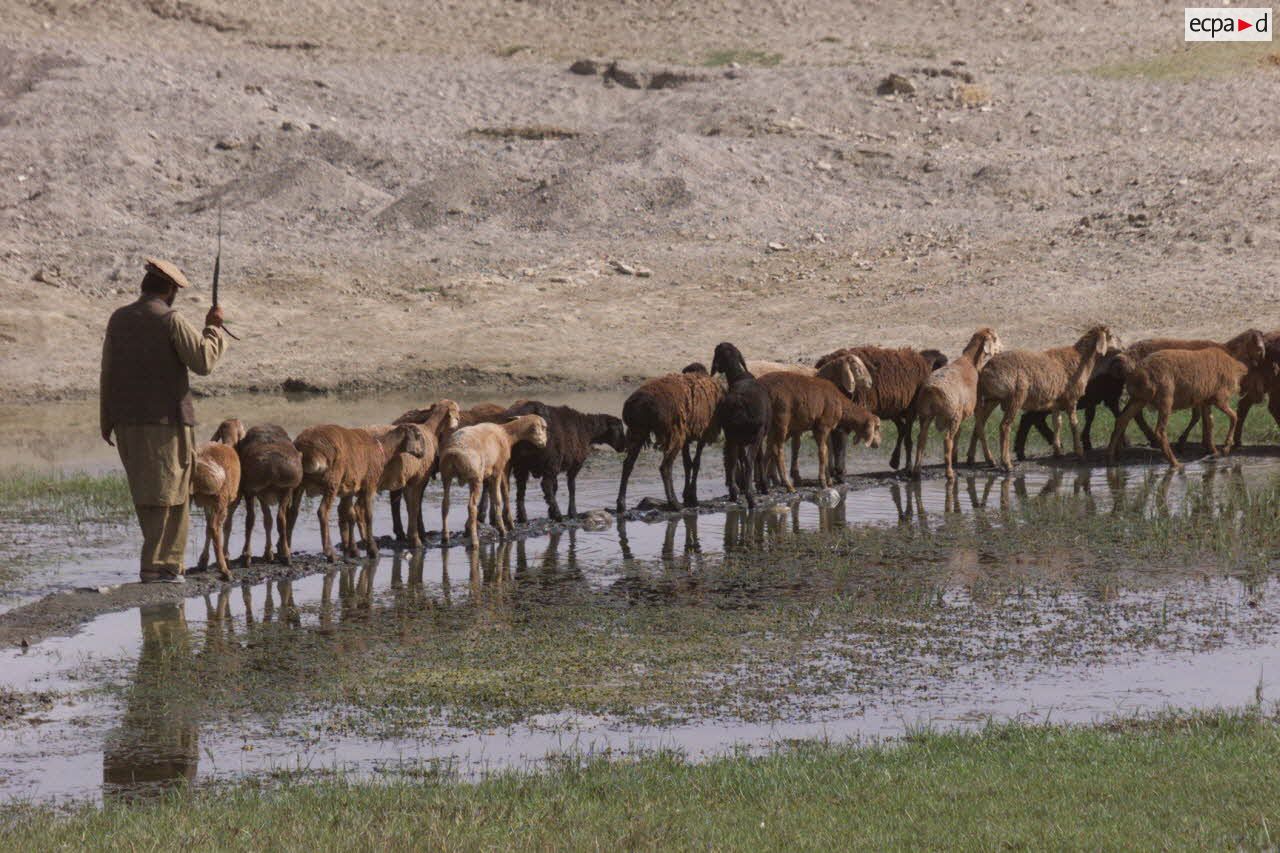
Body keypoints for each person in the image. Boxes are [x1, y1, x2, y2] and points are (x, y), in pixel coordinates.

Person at [100, 257, 228, 583]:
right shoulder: (170, 319)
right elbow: (202, 360)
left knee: (147, 492)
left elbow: (108, 372)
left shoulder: (119, 319)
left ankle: (156, 565)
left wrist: (107, 419)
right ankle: (164, 567)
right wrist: (213, 328)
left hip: (126, 422)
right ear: (170, 290)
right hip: (166, 423)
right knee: (172, 493)